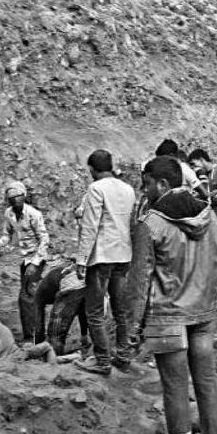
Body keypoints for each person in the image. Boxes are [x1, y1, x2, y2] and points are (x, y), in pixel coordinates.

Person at [127, 156, 217, 434]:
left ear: (163, 184)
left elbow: (140, 282)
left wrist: (132, 328)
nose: (144, 192)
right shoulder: (210, 216)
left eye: (147, 185)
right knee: (207, 382)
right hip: (203, 311)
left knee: (175, 386)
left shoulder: (151, 224)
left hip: (167, 315)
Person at [74, 150, 136, 376]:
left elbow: (90, 225)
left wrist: (82, 259)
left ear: (92, 169)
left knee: (94, 311)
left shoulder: (96, 188)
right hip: (123, 255)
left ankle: (102, 360)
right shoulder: (128, 189)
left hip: (101, 257)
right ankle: (123, 355)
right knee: (120, 310)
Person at [0, 180, 49, 344]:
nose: (15, 200)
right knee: (28, 295)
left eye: (18, 197)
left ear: (24, 196)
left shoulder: (33, 214)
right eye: (12, 198)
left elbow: (44, 239)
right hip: (23, 258)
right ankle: (35, 335)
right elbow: (7, 234)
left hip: (36, 258)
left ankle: (32, 338)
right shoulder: (9, 214)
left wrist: (35, 263)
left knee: (27, 296)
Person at [188, 148, 217, 291]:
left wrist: (206, 199)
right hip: (215, 220)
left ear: (202, 160)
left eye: (194, 164)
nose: (193, 168)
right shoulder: (207, 175)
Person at [33, 258, 89, 355]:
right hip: (81, 281)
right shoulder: (45, 287)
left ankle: (55, 354)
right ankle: (85, 344)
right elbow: (82, 311)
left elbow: (38, 321)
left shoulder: (39, 294)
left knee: (56, 330)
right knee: (82, 309)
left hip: (69, 284)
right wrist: (84, 335)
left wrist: (38, 343)